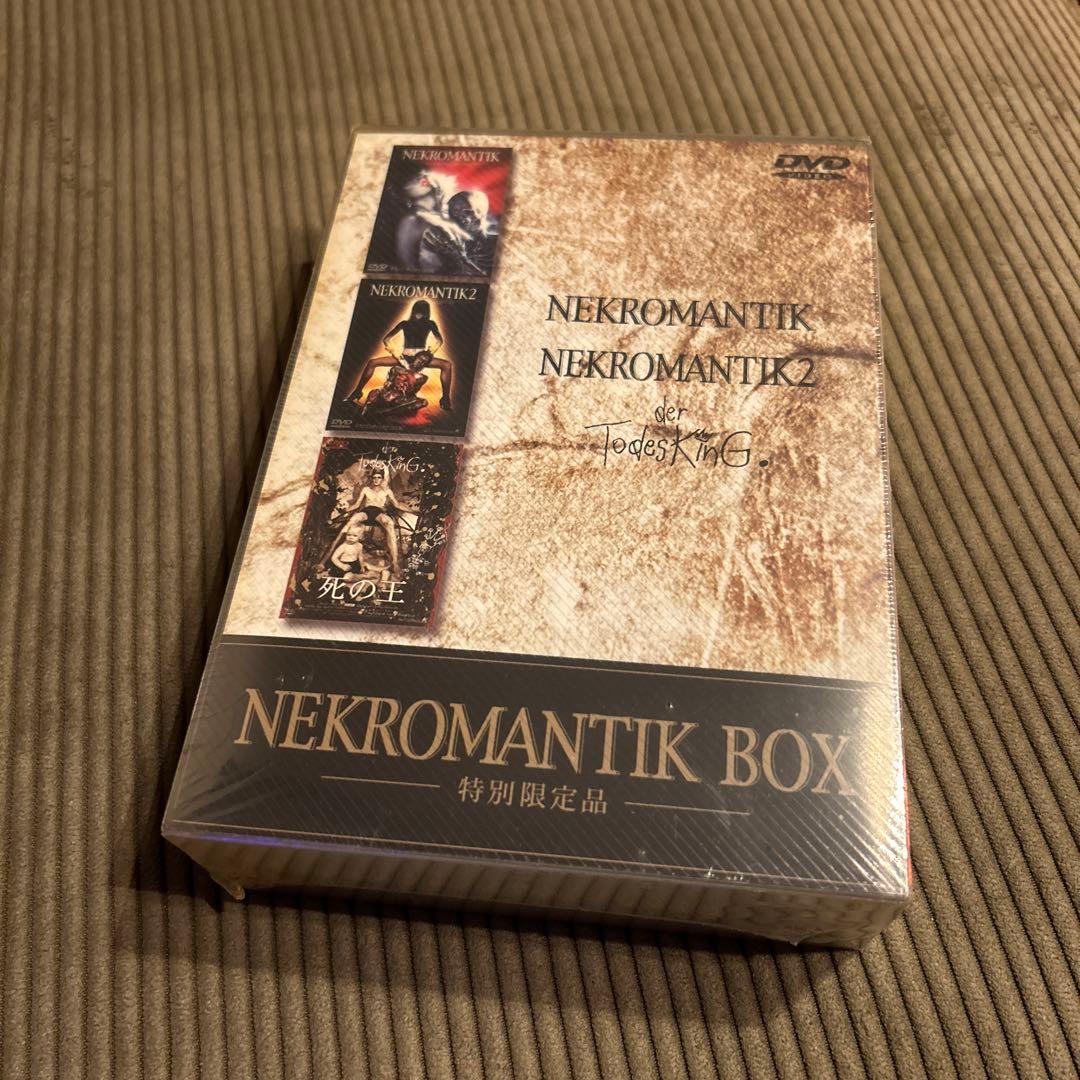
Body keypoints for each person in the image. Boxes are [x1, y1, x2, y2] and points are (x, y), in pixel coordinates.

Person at [350, 300, 454, 412]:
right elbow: (386, 339)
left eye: (421, 312)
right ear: (414, 311)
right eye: (417, 311)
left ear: (426, 312)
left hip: (420, 359)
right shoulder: (404, 323)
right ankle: (358, 391)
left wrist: (428, 353)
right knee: (372, 362)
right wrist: (397, 355)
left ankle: (445, 398)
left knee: (447, 365)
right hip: (404, 356)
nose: (419, 314)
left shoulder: (430, 324)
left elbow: (439, 340)